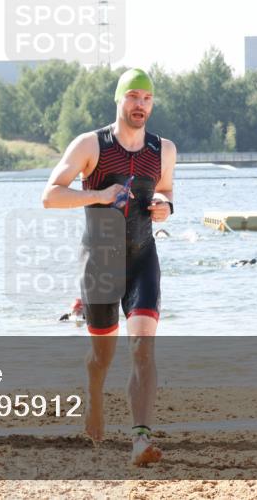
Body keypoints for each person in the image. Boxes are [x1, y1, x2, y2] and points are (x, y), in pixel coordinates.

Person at [41, 68, 176, 466]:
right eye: (133, 96)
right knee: (103, 356)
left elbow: (167, 190)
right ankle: (94, 397)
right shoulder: (90, 145)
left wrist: (166, 206)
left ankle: (140, 439)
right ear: (119, 100)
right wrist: (98, 194)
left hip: (142, 259)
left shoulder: (162, 149)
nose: (140, 104)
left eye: (147, 98)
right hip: (100, 261)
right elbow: (49, 196)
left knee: (142, 348)